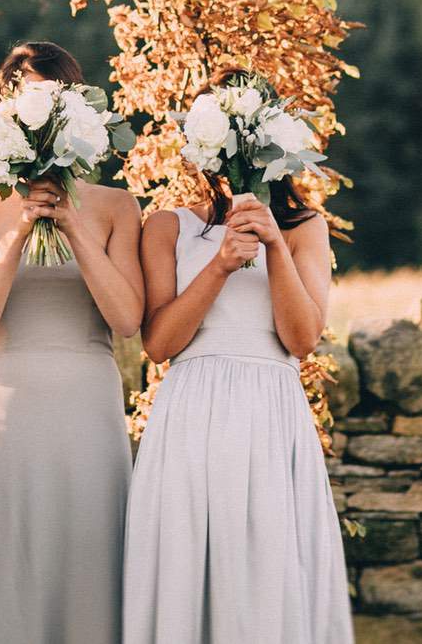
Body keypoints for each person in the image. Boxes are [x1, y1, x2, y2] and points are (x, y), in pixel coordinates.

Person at [122, 74, 350, 642]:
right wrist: (219, 265)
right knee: (187, 558)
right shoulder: (169, 225)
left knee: (266, 565)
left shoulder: (304, 228)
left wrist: (274, 245)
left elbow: (301, 340)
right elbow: (159, 344)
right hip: (192, 409)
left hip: (270, 412)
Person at [0, 40, 142, 644]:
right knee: (1, 551)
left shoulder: (114, 206)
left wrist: (75, 226)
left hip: (87, 401)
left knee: (88, 550)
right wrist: (22, 227)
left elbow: (128, 319)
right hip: (8, 395)